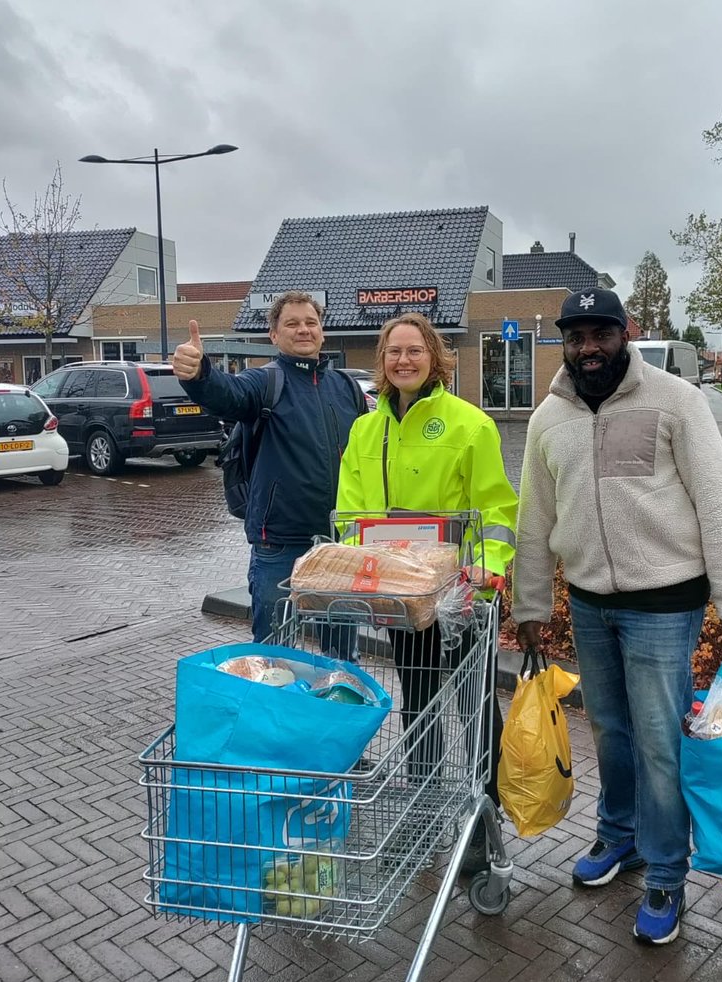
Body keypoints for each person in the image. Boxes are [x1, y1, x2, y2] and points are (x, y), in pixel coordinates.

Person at [511, 287, 722, 945]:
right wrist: (531, 603)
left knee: (657, 740)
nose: (588, 348)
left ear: (624, 332)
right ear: (563, 342)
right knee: (611, 731)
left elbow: (715, 502)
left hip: (662, 604)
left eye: (600, 333)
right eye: (576, 336)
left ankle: (664, 875)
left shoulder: (676, 402)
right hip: (591, 603)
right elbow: (533, 519)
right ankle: (618, 837)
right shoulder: (548, 419)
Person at [336, 312, 518, 872]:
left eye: (415, 351)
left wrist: (489, 569)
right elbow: (348, 509)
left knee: (474, 708)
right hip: (404, 600)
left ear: (434, 356)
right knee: (418, 708)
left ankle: (486, 821)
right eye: (394, 352)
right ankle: (422, 811)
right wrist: (362, 561)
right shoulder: (366, 430)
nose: (404, 361)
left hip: (460, 597)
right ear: (382, 361)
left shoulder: (470, 425)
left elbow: (496, 507)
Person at [172, 290, 366, 641]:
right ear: (274, 335)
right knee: (275, 650)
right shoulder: (265, 381)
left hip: (340, 542)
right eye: (292, 323)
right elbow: (228, 394)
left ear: (323, 330)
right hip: (279, 542)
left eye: (311, 322)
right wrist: (200, 375)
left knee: (341, 653)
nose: (303, 330)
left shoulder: (346, 387)